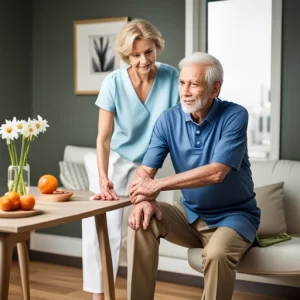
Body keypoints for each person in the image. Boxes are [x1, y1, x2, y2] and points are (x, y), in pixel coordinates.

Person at [127, 52, 261, 300]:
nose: (185, 91)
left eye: (194, 84)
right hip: (189, 215)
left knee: (216, 254)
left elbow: (216, 173)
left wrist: (156, 186)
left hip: (234, 217)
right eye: (182, 82)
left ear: (214, 89)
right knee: (141, 222)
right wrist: (143, 200)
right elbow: (144, 173)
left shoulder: (235, 116)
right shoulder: (168, 120)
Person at [81, 19, 179, 300]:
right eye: (135, 55)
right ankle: (99, 296)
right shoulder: (113, 82)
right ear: (127, 56)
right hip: (116, 161)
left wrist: (151, 178)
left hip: (151, 165)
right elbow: (103, 138)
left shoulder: (172, 77)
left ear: (156, 47)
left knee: (142, 230)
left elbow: (178, 128)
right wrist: (102, 177)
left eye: (148, 52)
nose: (143, 60)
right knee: (103, 231)